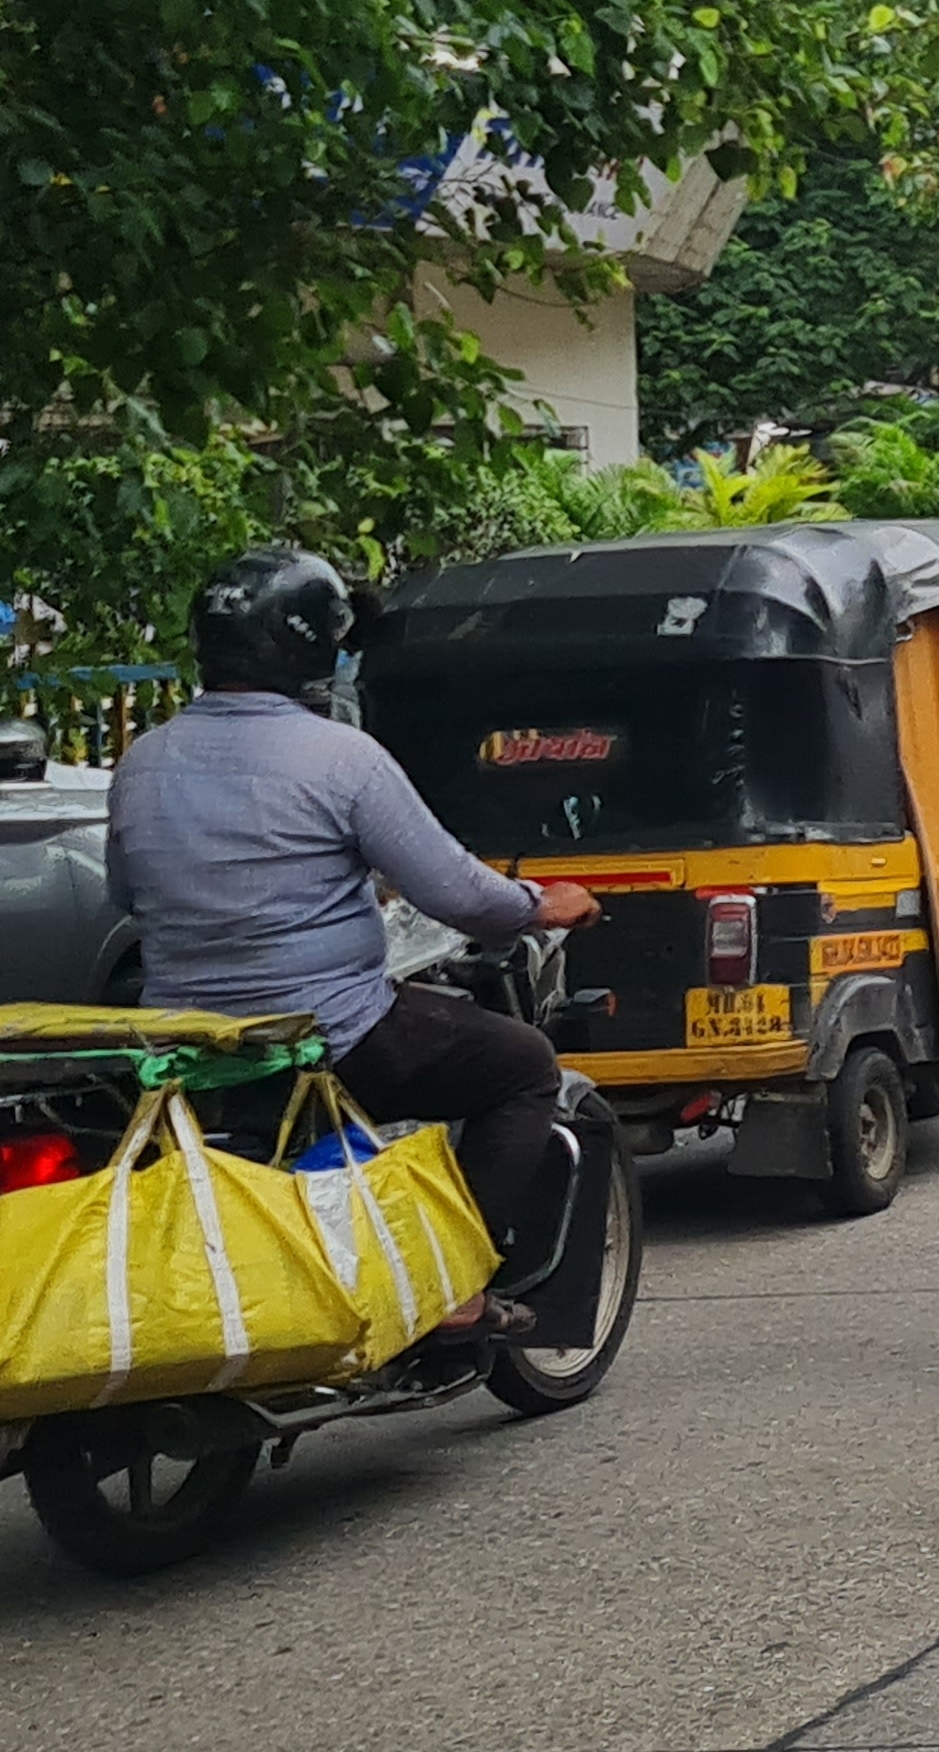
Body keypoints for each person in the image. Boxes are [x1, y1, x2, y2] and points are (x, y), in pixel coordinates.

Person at [103, 548, 600, 1327]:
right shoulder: (342, 758)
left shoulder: (143, 761)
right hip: (328, 1034)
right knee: (522, 1065)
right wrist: (541, 903)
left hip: (190, 1048)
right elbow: (459, 895)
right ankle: (454, 1286)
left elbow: (128, 894)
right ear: (308, 652)